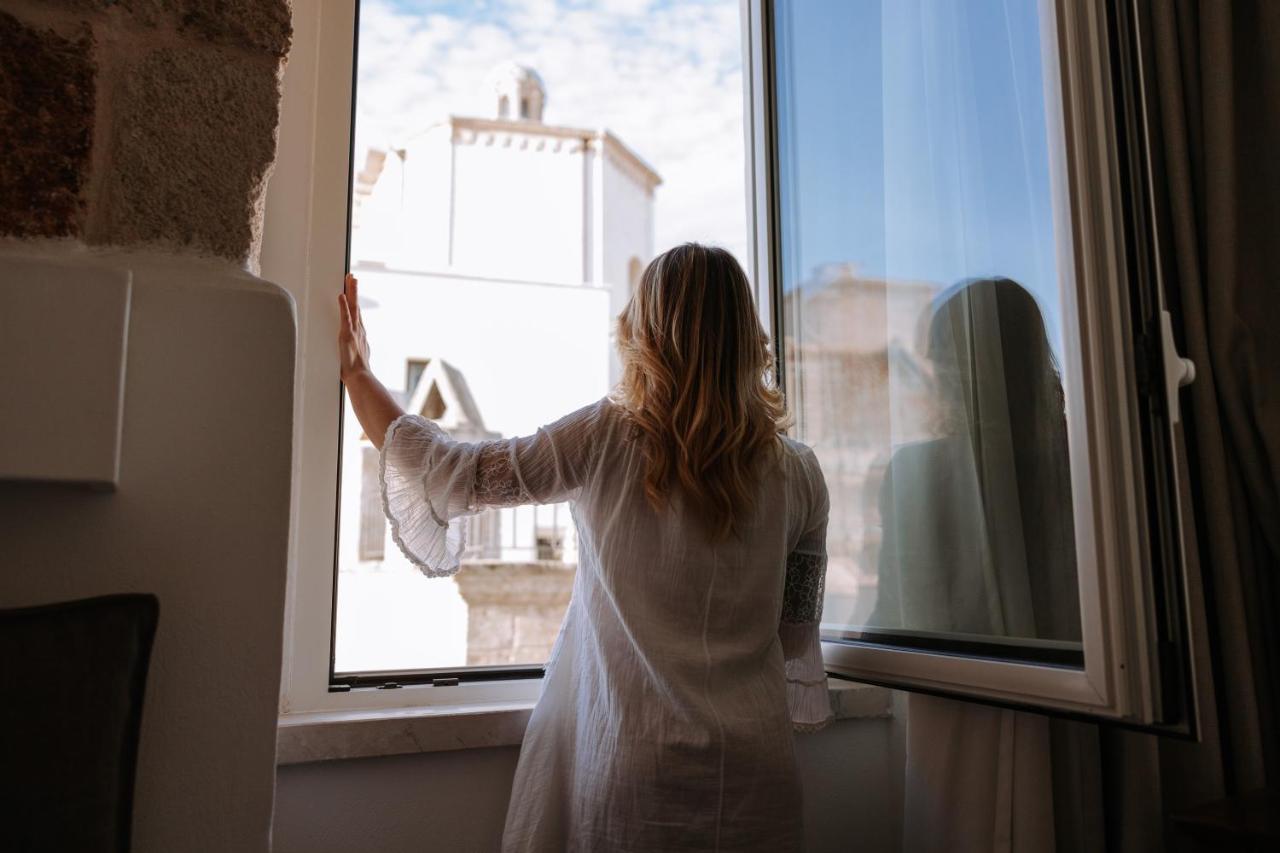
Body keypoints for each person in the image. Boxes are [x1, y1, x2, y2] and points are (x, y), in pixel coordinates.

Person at [338, 243, 831, 853]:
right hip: (759, 774)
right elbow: (795, 635)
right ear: (744, 332)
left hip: (633, 772)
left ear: (646, 331)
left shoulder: (605, 437)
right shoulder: (802, 473)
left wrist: (358, 375)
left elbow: (451, 473)